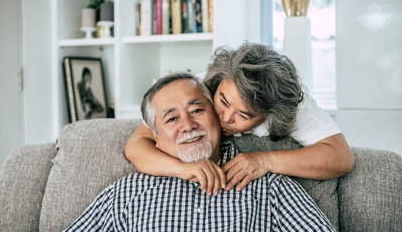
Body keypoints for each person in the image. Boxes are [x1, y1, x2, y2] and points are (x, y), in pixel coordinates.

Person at [0, 73, 360, 232]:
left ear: (218, 118)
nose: (187, 125)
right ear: (154, 135)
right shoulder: (129, 191)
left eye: (197, 110)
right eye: (171, 118)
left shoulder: (268, 186)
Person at [124, 43, 354, 195]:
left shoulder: (296, 107)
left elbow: (341, 157)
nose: (225, 117)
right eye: (223, 102)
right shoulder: (196, 88)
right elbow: (137, 145)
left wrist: (266, 161)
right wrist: (183, 169)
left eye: (244, 115)